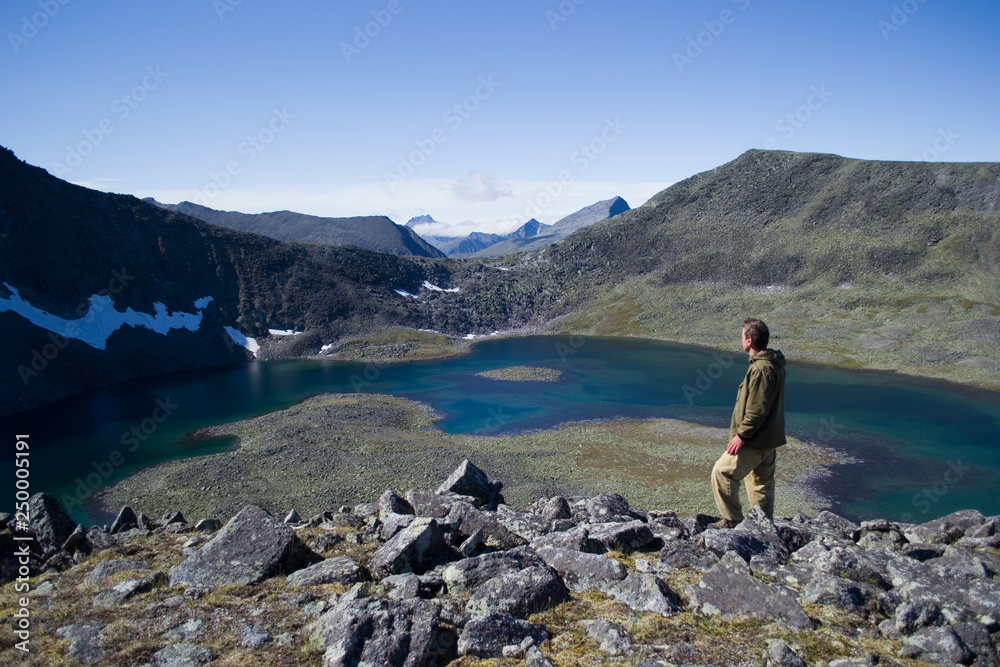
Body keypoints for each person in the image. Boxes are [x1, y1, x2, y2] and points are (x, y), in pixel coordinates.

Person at [711, 317, 786, 528]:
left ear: (749, 340)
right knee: (760, 484)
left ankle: (732, 520)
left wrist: (742, 435)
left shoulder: (762, 368)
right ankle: (763, 527)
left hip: (754, 440)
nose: (741, 340)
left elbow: (757, 409)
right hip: (768, 438)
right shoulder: (774, 364)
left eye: (743, 336)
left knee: (721, 472)